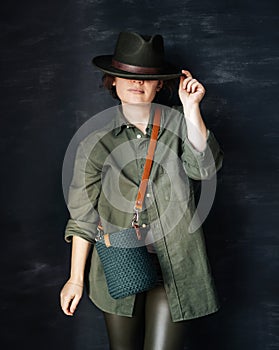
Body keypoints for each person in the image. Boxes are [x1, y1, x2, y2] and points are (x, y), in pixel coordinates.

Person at [60, 31, 223, 350]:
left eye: (147, 78)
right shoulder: (94, 139)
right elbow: (82, 216)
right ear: (113, 81)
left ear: (160, 84)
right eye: (128, 76)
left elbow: (204, 168)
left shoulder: (178, 124)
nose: (137, 83)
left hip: (175, 265)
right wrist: (76, 278)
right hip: (119, 264)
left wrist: (191, 110)